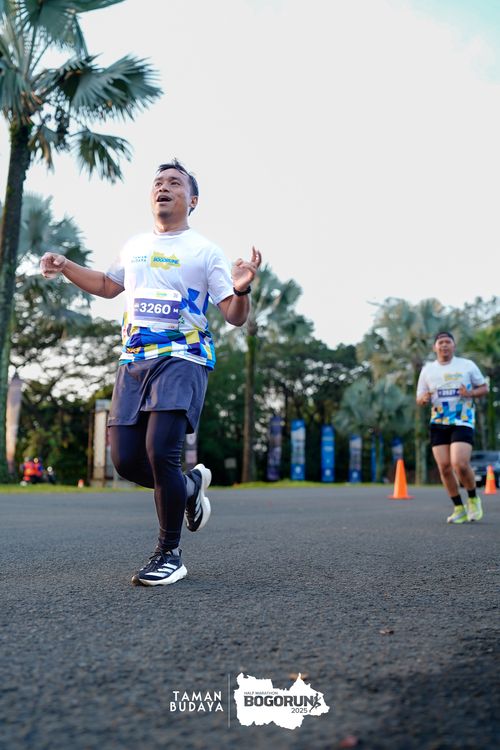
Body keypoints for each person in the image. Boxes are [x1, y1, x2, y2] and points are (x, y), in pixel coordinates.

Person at [40, 159, 262, 585]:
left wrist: (242, 288)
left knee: (162, 451)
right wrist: (66, 266)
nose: (164, 187)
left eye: (175, 183)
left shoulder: (205, 251)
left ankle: (169, 553)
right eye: (158, 182)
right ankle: (189, 488)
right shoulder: (136, 245)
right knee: (126, 460)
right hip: (134, 360)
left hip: (183, 357)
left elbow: (234, 316)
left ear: (192, 200)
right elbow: (108, 285)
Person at [416, 331, 488, 524]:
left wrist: (470, 393)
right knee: (445, 467)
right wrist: (424, 399)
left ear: (454, 345)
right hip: (439, 421)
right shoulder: (428, 370)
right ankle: (459, 508)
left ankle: (473, 498)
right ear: (435, 347)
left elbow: (484, 388)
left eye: (448, 341)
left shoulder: (467, 365)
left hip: (462, 419)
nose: (444, 345)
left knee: (460, 463)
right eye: (440, 342)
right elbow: (420, 398)